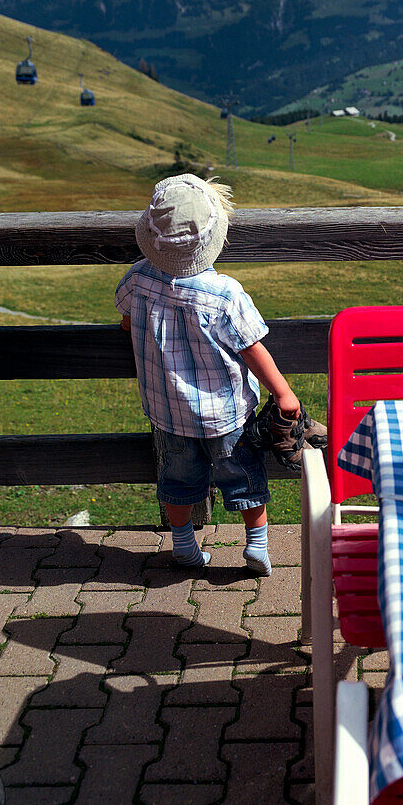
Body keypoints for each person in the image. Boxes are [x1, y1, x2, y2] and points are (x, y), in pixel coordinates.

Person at [115, 173, 300, 575]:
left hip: (168, 415)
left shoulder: (138, 279)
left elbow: (128, 322)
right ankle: (256, 549)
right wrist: (284, 393)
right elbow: (252, 348)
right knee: (245, 479)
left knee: (178, 482)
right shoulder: (224, 294)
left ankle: (185, 547)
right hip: (227, 415)